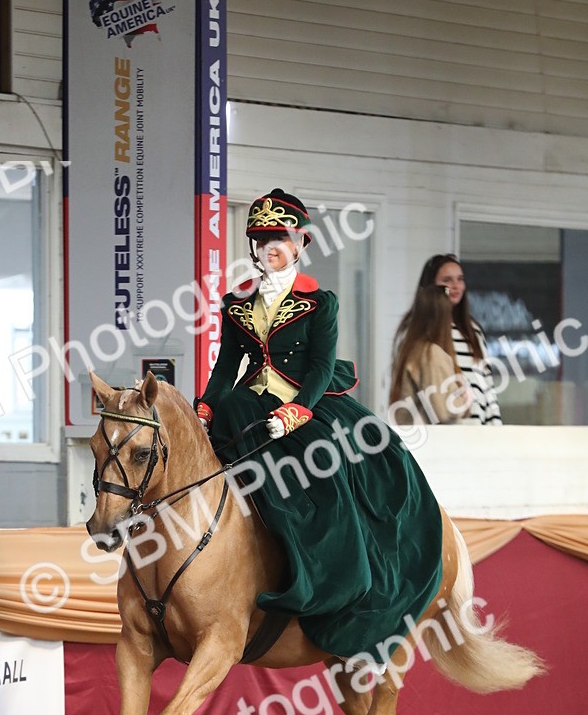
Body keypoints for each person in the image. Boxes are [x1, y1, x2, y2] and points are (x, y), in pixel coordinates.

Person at [195, 187, 444, 661]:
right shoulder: (236, 302)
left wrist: (295, 412)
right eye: (261, 239)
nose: (269, 247)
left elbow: (321, 368)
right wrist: (206, 407)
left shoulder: (320, 302)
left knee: (327, 475)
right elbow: (226, 367)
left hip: (306, 404)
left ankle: (324, 577)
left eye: (279, 238)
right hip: (247, 405)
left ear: (299, 244)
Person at [404, 253, 502, 425]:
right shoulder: (421, 333)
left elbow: (486, 385)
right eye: (447, 280)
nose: (456, 286)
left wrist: (495, 427)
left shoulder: (473, 330)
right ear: (432, 287)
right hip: (444, 429)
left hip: (478, 429)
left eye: (460, 279)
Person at [389, 283, 473, 425]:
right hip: (430, 436)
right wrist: (465, 400)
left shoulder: (410, 350)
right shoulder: (431, 354)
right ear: (442, 317)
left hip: (411, 434)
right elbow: (442, 411)